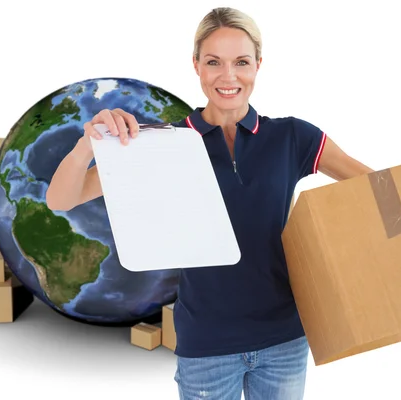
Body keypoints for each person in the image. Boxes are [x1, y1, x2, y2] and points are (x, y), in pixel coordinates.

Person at [46, 6, 374, 400]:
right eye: (214, 62)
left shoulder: (293, 138)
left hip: (284, 339)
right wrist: (89, 142)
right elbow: (61, 199)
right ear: (196, 66)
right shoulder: (162, 145)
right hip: (207, 345)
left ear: (258, 65)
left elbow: (379, 191)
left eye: (241, 62)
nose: (228, 76)